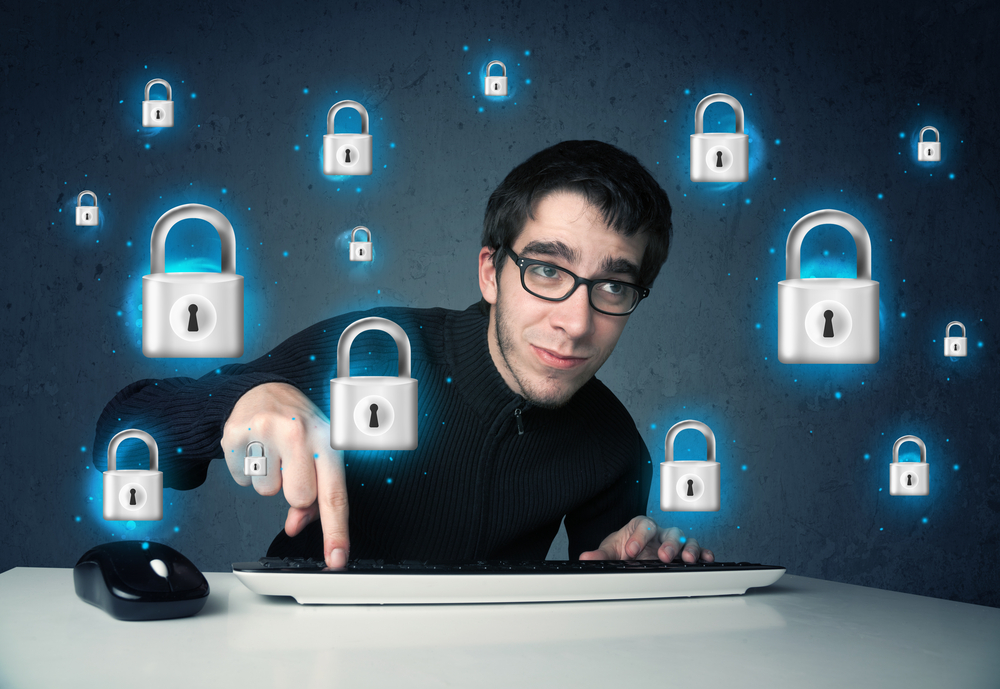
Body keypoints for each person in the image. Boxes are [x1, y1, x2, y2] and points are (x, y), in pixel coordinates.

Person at [93, 140, 715, 568]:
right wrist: (241, 401)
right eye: (547, 270)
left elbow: (601, 620)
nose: (576, 323)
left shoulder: (613, 446)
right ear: (491, 273)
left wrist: (630, 571)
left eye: (612, 286)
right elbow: (121, 426)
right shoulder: (369, 351)